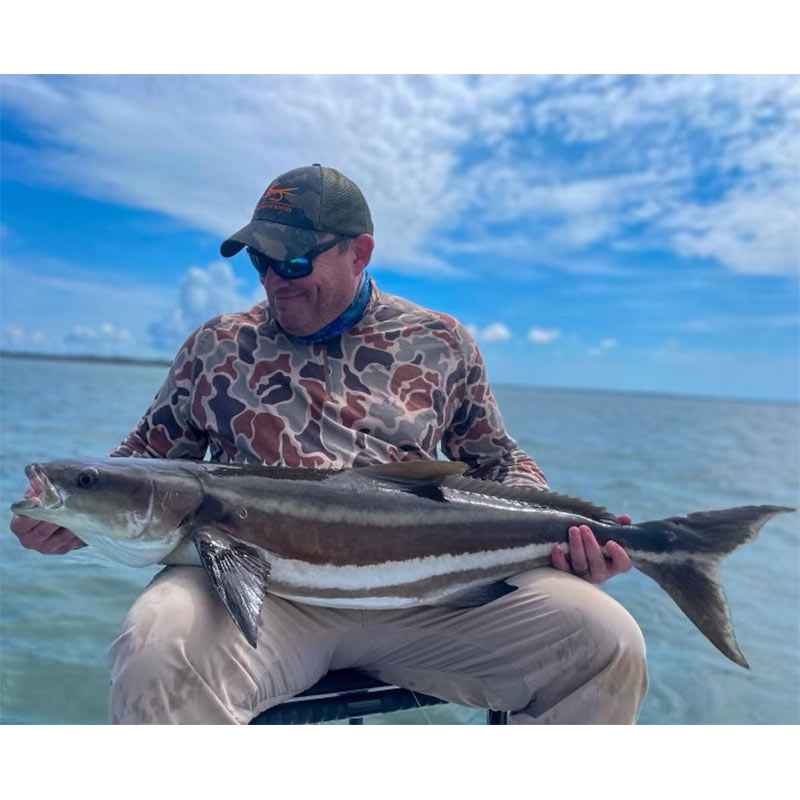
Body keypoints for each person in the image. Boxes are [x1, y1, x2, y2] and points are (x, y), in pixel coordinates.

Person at [10, 164, 647, 724]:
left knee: (606, 639)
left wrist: (568, 539)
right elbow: (141, 464)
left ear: (359, 253)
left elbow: (499, 462)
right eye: (261, 262)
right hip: (257, 595)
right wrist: (76, 516)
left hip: (433, 599)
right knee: (156, 646)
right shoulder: (216, 346)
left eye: (293, 262)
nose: (274, 281)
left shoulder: (440, 340)